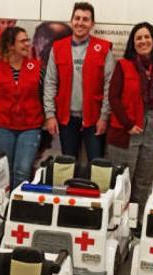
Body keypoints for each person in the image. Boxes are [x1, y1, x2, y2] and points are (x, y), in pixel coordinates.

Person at [106, 22, 153, 206]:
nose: (143, 41)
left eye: (147, 37)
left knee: (144, 182)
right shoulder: (123, 65)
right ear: (133, 43)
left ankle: (136, 223)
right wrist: (128, 124)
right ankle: (116, 224)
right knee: (121, 181)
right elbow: (113, 97)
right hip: (126, 130)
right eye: (138, 38)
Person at [43, 2, 115, 160]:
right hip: (66, 118)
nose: (80, 23)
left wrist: (104, 117)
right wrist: (50, 115)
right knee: (68, 164)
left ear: (92, 24)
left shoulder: (103, 49)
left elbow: (110, 86)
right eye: (77, 18)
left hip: (94, 118)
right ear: (71, 20)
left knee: (96, 165)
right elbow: (50, 82)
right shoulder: (58, 47)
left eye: (85, 19)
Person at [0, 27, 45, 189]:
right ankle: (3, 204)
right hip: (4, 126)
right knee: (5, 170)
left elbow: (43, 95)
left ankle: (16, 206)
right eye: (23, 41)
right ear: (11, 45)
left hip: (30, 127)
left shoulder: (38, 68)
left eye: (28, 40)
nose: (28, 44)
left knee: (22, 170)